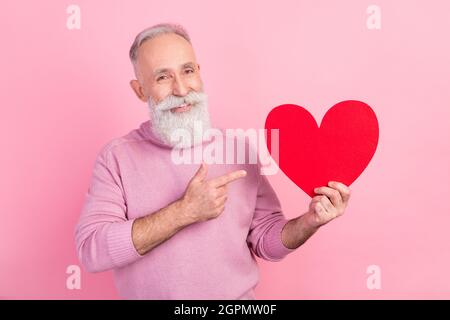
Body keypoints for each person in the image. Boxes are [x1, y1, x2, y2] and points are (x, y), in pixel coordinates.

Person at [75, 23, 351, 299]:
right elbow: (92, 251)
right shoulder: (117, 158)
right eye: (162, 77)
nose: (182, 89)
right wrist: (184, 212)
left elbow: (266, 239)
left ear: (199, 72)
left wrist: (309, 222)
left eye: (188, 71)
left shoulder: (238, 149)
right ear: (140, 90)